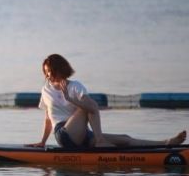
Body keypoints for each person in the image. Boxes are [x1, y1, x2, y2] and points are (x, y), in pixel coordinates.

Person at [29, 54, 185, 149]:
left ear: (60, 69)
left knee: (125, 139)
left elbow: (92, 107)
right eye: (46, 73)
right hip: (63, 134)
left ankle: (166, 143)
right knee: (88, 107)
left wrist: (71, 98)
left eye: (50, 72)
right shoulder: (46, 90)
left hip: (83, 135)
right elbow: (48, 118)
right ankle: (100, 141)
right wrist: (42, 142)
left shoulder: (76, 86)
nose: (48, 76)